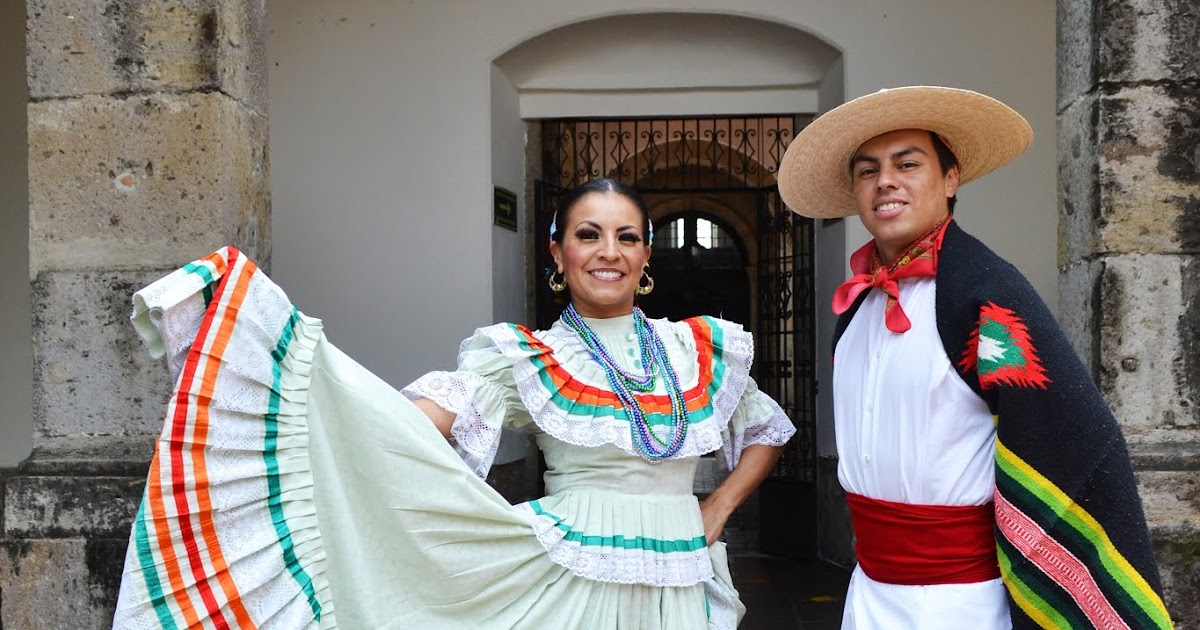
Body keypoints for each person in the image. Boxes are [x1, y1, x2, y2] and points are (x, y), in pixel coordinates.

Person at [112, 178, 795, 629]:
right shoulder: (523, 355)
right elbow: (419, 422)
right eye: (588, 235)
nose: (607, 252)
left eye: (626, 236)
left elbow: (761, 426)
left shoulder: (698, 349)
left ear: (647, 255)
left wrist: (719, 505)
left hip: (678, 559)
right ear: (558, 254)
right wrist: (318, 402)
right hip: (565, 570)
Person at [776, 86, 1172, 629]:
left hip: (960, 603)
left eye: (907, 163)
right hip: (868, 592)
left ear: (951, 178)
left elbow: (1073, 434)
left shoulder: (986, 298)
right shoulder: (858, 305)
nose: (885, 181)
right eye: (868, 171)